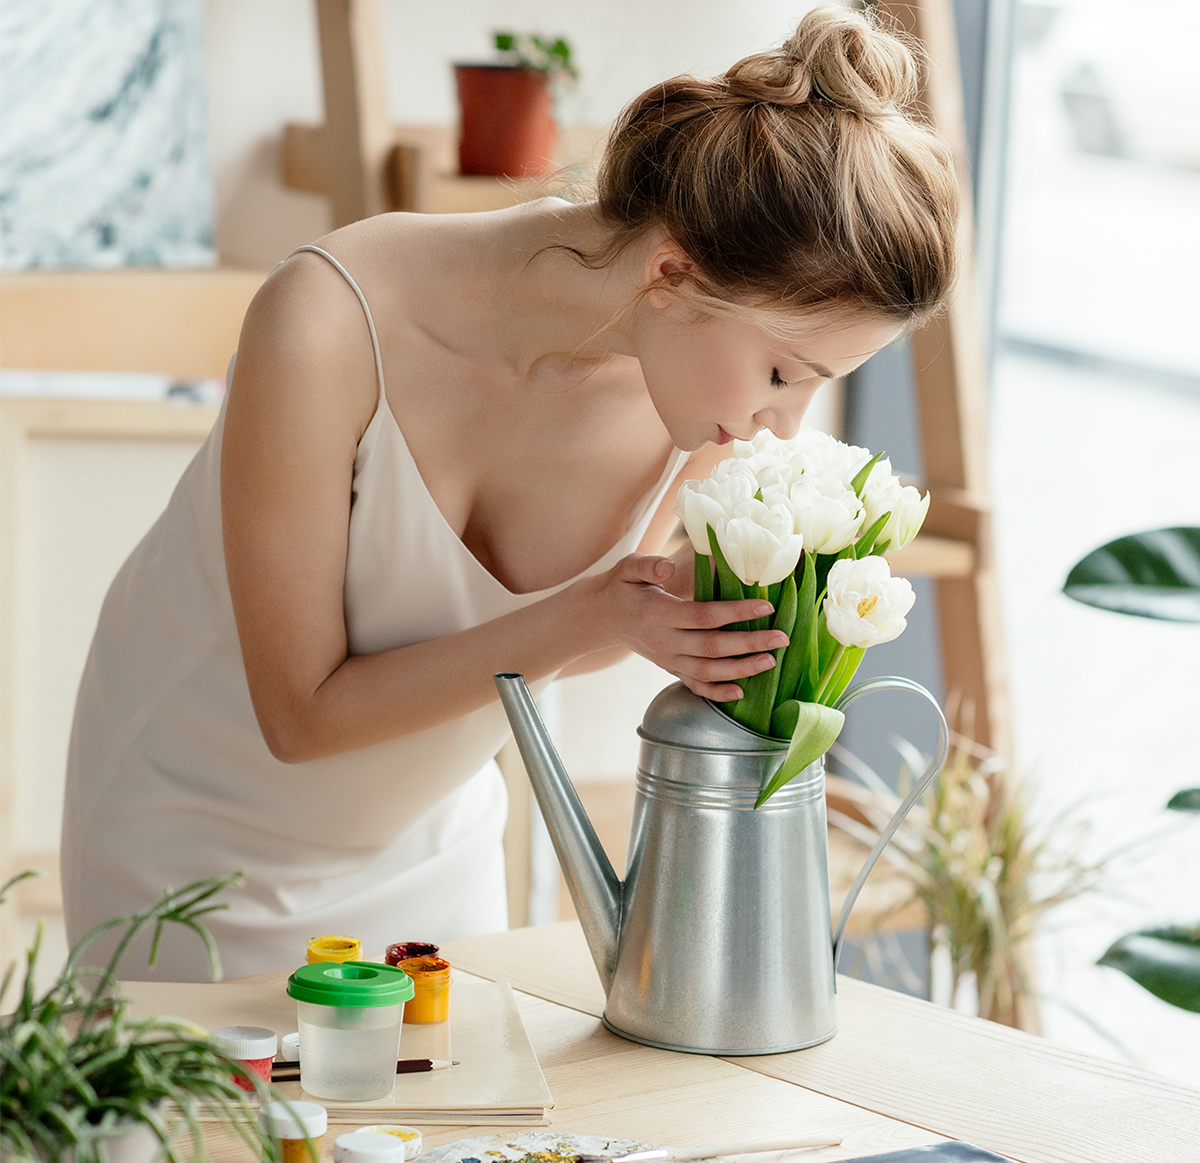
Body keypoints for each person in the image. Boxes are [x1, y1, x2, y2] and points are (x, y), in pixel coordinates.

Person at [61, 6, 958, 980]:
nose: (787, 424)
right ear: (672, 275)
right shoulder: (325, 321)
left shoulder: (697, 399)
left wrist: (698, 627)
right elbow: (302, 715)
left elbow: (559, 639)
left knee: (454, 1130)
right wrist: (596, 612)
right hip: (190, 844)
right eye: (785, 374)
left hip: (431, 849)